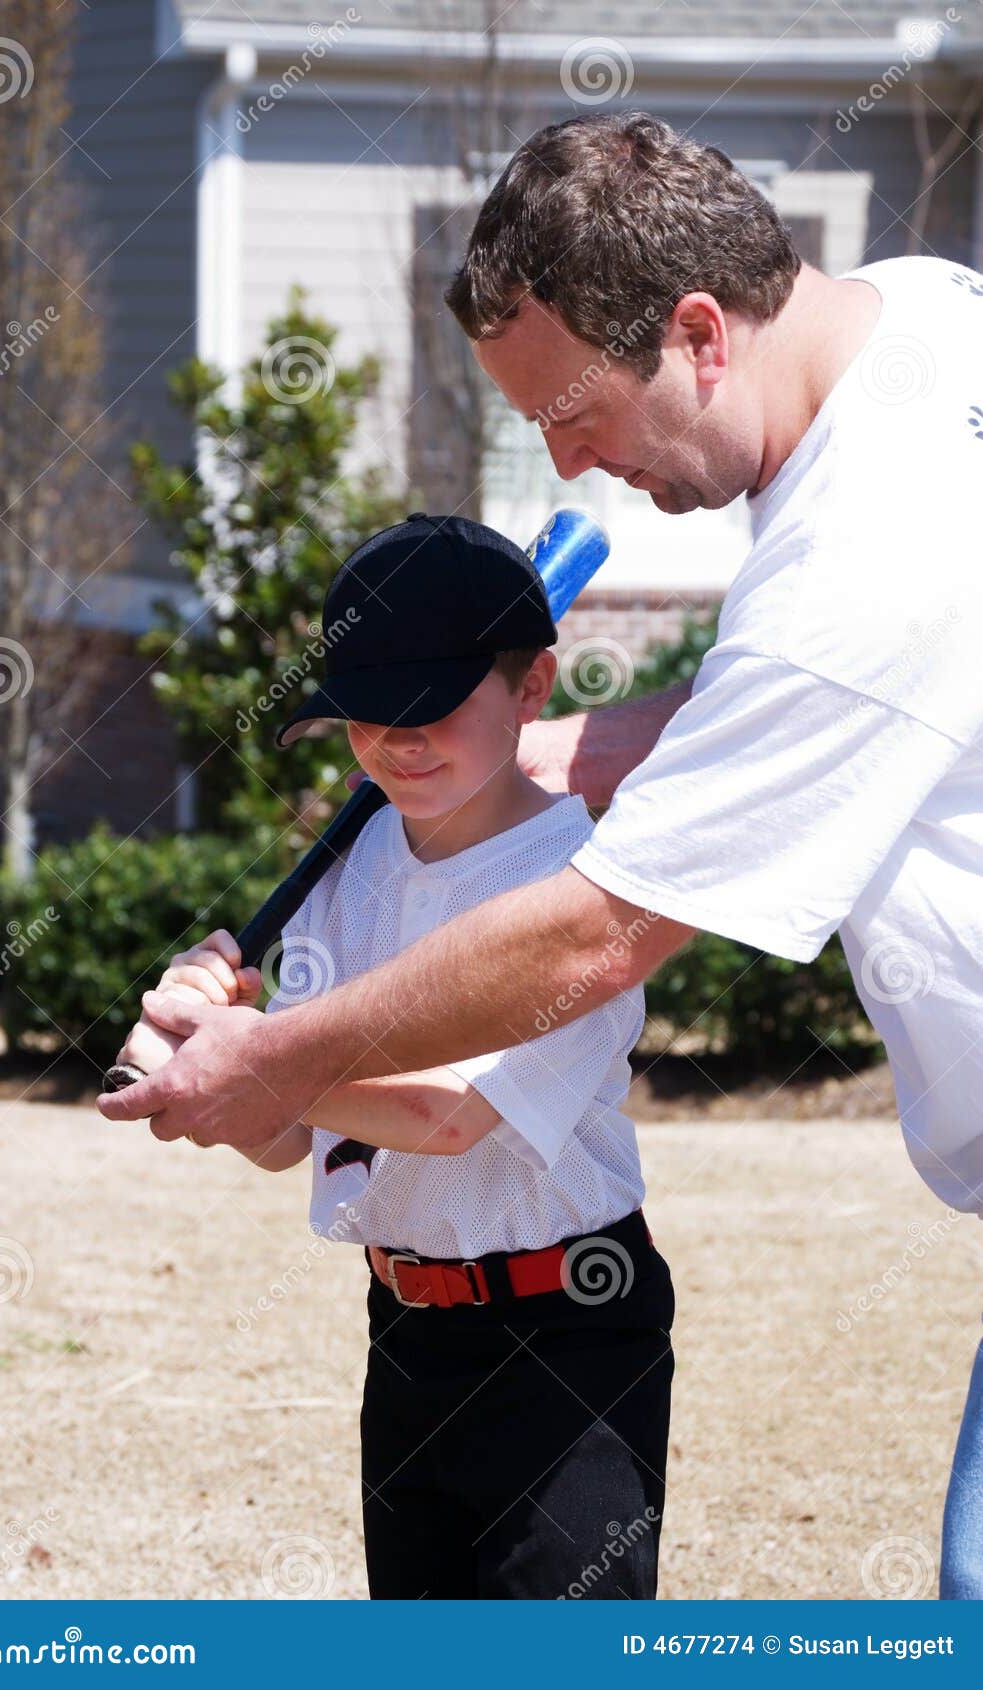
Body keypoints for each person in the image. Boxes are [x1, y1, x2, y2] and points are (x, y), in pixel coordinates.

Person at [98, 112, 983, 1597]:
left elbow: (591, 936)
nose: (567, 462)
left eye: (574, 411)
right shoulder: (925, 316)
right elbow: (756, 714)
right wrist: (498, 761)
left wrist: (274, 1056)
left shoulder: (859, 553)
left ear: (699, 333)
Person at [116, 513, 676, 1601]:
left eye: (433, 707)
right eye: (368, 712)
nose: (397, 741)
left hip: (569, 1335)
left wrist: (260, 1055)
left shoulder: (581, 888)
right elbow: (292, 1141)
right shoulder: (346, 870)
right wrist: (205, 1063)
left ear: (532, 688)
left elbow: (452, 1113)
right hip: (407, 1335)